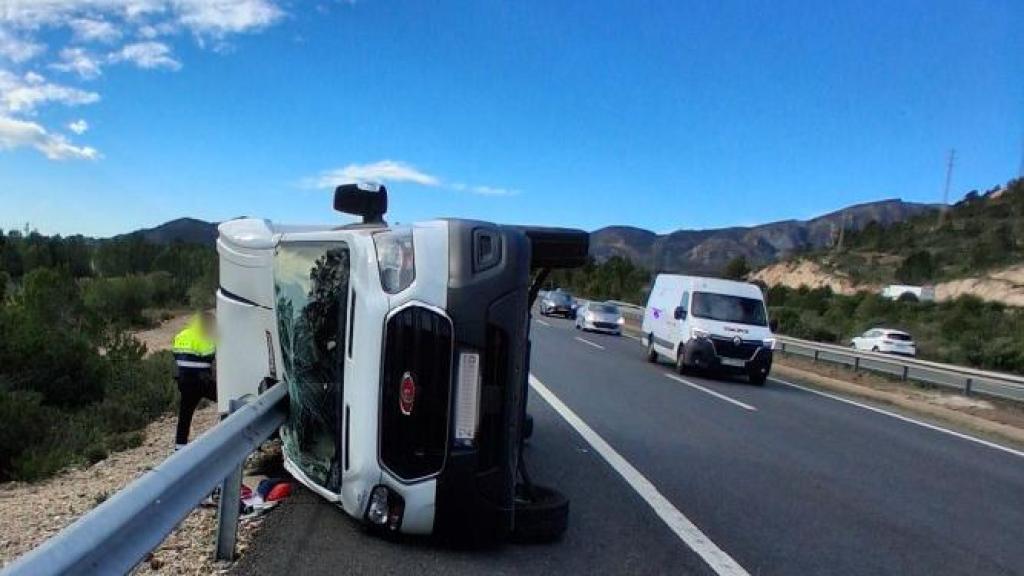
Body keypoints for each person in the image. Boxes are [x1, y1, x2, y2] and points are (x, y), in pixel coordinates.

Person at [172, 312, 217, 450]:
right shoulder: (207, 336)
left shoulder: (181, 335)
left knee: (185, 413)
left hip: (184, 380)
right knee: (226, 400)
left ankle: (179, 447)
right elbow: (211, 356)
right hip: (202, 380)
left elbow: (175, 355)